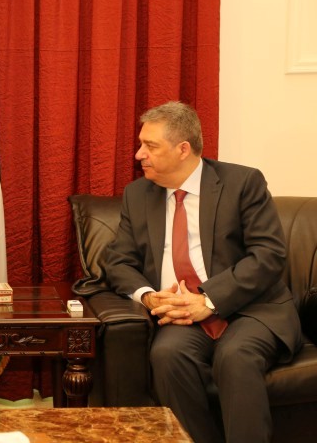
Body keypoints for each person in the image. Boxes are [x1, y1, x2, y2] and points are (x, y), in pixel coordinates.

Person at [102, 101, 301, 443]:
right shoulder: (137, 194)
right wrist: (149, 297)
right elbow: (118, 261)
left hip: (251, 309)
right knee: (167, 354)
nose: (139, 154)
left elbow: (269, 255)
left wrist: (208, 301)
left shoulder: (242, 183)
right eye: (141, 144)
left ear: (183, 149)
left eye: (150, 146)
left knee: (235, 356)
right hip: (181, 315)